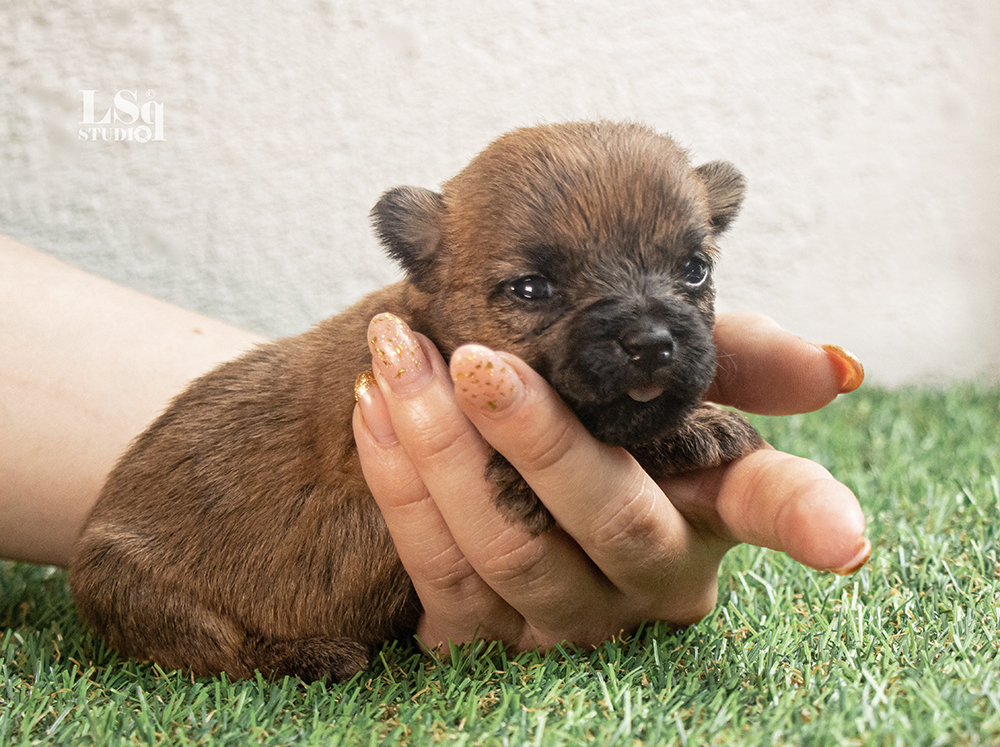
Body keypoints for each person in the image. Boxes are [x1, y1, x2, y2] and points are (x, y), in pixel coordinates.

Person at [0, 235, 868, 652]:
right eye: (533, 287)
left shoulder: (412, 348)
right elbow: (516, 480)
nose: (644, 320)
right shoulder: (407, 338)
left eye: (688, 272)